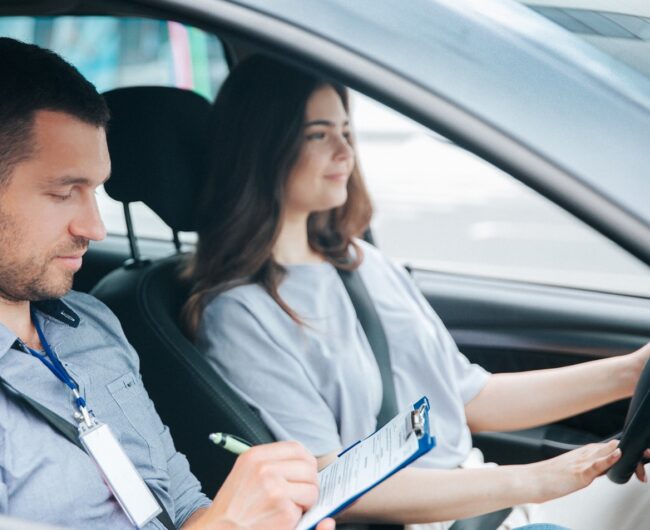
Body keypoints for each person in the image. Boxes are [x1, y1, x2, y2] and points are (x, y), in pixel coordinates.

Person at [0, 39, 336, 530]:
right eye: (65, 193)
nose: (94, 226)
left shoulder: (91, 323)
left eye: (96, 191)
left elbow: (183, 508)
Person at [185, 55, 650, 529]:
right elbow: (335, 486)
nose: (345, 152)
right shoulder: (241, 315)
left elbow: (471, 398)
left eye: (346, 131)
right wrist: (535, 479)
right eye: (319, 135)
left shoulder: (361, 262)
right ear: (264, 148)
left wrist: (631, 372)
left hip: (482, 498)